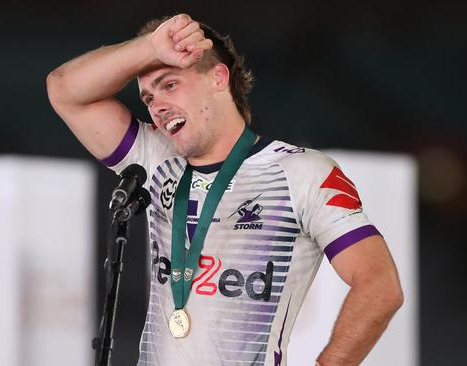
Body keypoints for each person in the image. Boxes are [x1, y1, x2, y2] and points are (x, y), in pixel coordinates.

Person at [47, 14, 403, 366]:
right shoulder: (155, 157)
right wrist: (147, 47)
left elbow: (380, 287)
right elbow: (64, 89)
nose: (157, 106)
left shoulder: (302, 172)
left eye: (170, 85)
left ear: (219, 78)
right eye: (148, 98)